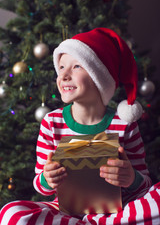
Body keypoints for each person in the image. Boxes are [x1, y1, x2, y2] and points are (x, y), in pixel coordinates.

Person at [0, 28, 160, 225]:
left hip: (118, 214)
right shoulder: (51, 123)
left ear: (99, 76)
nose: (64, 75)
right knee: (11, 213)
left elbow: (144, 185)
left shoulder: (124, 124)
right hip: (65, 212)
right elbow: (40, 186)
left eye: (76, 66)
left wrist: (131, 178)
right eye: (61, 67)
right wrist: (47, 179)